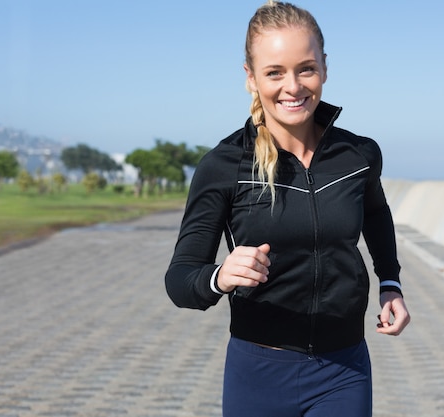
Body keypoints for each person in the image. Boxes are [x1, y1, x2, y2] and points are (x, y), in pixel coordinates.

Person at [164, 1, 410, 416]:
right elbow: (180, 280)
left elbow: (376, 215)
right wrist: (220, 277)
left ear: (325, 68)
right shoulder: (224, 166)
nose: (292, 86)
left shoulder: (359, 155)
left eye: (306, 68)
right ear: (250, 77)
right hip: (259, 371)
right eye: (275, 72)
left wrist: (391, 283)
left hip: (344, 368)